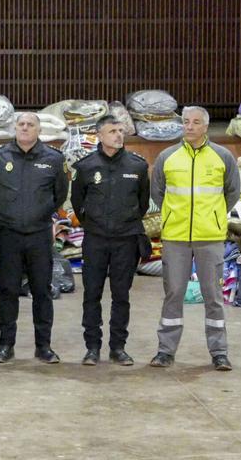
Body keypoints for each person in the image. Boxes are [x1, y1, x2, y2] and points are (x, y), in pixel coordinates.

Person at [150, 106, 240, 371]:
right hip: (175, 237)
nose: (189, 126)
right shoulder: (167, 156)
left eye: (195, 122)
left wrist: (212, 216)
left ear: (205, 127)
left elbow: (232, 193)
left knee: (213, 295)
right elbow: (158, 193)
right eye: (186, 122)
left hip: (209, 238)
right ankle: (165, 351)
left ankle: (219, 352)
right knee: (174, 293)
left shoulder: (223, 156)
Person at [0, 112, 68, 364]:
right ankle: (5, 345)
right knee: (8, 291)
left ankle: (44, 347)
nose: (25, 128)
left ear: (38, 130)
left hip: (39, 235)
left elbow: (60, 194)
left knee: (42, 291)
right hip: (7, 235)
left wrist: (39, 215)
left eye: (31, 125)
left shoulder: (54, 159)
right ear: (15, 128)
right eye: (21, 124)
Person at [70, 116, 149, 366]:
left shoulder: (137, 166)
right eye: (112, 131)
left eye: (120, 130)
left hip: (125, 240)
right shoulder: (85, 167)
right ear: (99, 135)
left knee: (121, 295)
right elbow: (77, 202)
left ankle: (118, 347)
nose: (118, 135)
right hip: (95, 240)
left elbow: (143, 203)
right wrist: (93, 223)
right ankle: (92, 347)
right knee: (91, 294)